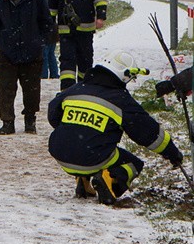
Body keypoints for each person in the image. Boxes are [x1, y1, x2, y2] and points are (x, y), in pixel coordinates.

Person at [48, 50, 184, 205]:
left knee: (88, 145)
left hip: (60, 153)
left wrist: (72, 131)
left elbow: (53, 113)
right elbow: (148, 133)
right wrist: (173, 153)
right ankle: (110, 182)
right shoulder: (121, 100)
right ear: (123, 76)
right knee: (133, 164)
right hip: (91, 157)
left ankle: (83, 182)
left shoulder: (75, 89)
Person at [0, 0, 54, 135]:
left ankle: (30, 121)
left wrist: (39, 41)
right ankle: (7, 122)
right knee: (6, 90)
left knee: (32, 90)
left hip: (32, 52)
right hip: (7, 53)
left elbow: (47, 22)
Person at [48, 0, 108, 91]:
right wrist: (49, 26)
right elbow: (52, 7)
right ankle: (67, 91)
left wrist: (101, 17)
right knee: (67, 63)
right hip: (66, 32)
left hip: (85, 32)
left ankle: (84, 90)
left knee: (85, 62)